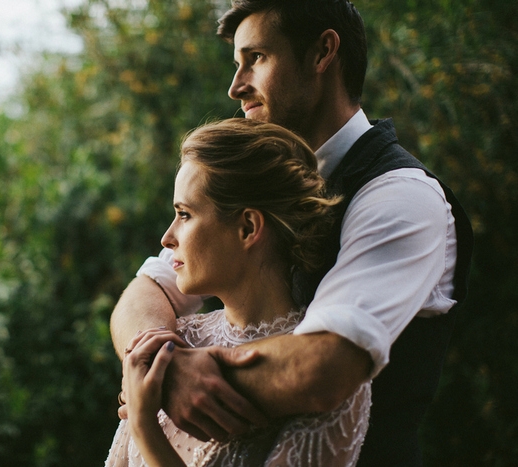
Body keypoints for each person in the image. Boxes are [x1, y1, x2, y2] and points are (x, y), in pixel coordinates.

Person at [110, 1, 473, 465]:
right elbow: (147, 293)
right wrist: (165, 365)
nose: (235, 86)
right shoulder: (258, 176)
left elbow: (326, 366)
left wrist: (160, 384)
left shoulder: (401, 197)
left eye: (256, 58)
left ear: (323, 52)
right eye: (236, 64)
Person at [106, 118, 371, 466]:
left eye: (184, 215)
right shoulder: (174, 344)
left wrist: (144, 427)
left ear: (248, 227)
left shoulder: (325, 385)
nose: (167, 238)